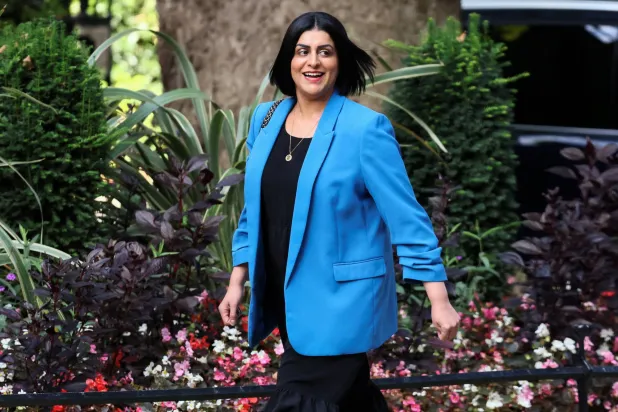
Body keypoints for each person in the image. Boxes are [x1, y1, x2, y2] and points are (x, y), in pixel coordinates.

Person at [218, 11, 460, 411]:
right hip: (287, 296)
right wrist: (237, 279)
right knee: (350, 400)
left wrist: (439, 298)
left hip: (343, 302)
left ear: (339, 61)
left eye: (325, 52)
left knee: (298, 401)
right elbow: (255, 207)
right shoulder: (265, 120)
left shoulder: (365, 129)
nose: (313, 62)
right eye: (303, 51)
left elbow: (406, 217)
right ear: (288, 60)